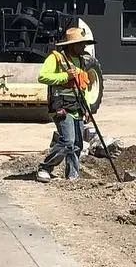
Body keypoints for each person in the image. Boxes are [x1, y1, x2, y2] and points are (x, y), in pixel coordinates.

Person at [35, 25, 93, 182]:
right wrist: (64, 76)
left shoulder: (81, 61)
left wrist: (87, 108)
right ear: (72, 45)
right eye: (81, 44)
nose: (84, 47)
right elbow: (42, 77)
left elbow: (82, 86)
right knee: (68, 142)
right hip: (61, 106)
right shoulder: (56, 58)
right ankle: (45, 168)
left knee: (78, 144)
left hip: (78, 106)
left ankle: (73, 175)